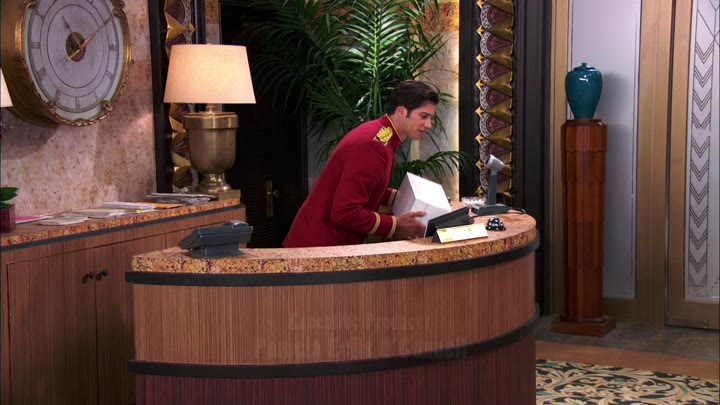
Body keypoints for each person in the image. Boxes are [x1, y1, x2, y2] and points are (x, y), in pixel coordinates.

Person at [283, 80, 439, 248]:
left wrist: (401, 198)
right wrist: (395, 225)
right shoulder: (374, 146)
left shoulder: (381, 134)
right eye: (424, 116)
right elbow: (345, 211)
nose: (429, 125)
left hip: (323, 244)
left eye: (430, 118)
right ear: (401, 111)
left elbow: (367, 188)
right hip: (319, 248)